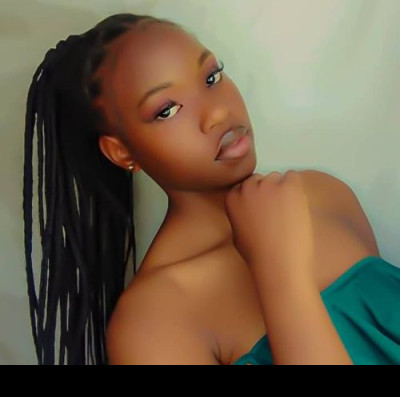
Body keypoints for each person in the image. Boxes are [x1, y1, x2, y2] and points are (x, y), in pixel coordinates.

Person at [23, 13, 400, 365]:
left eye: (211, 77)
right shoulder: (153, 323)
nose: (218, 112)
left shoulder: (323, 194)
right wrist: (280, 272)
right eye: (167, 110)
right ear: (122, 153)